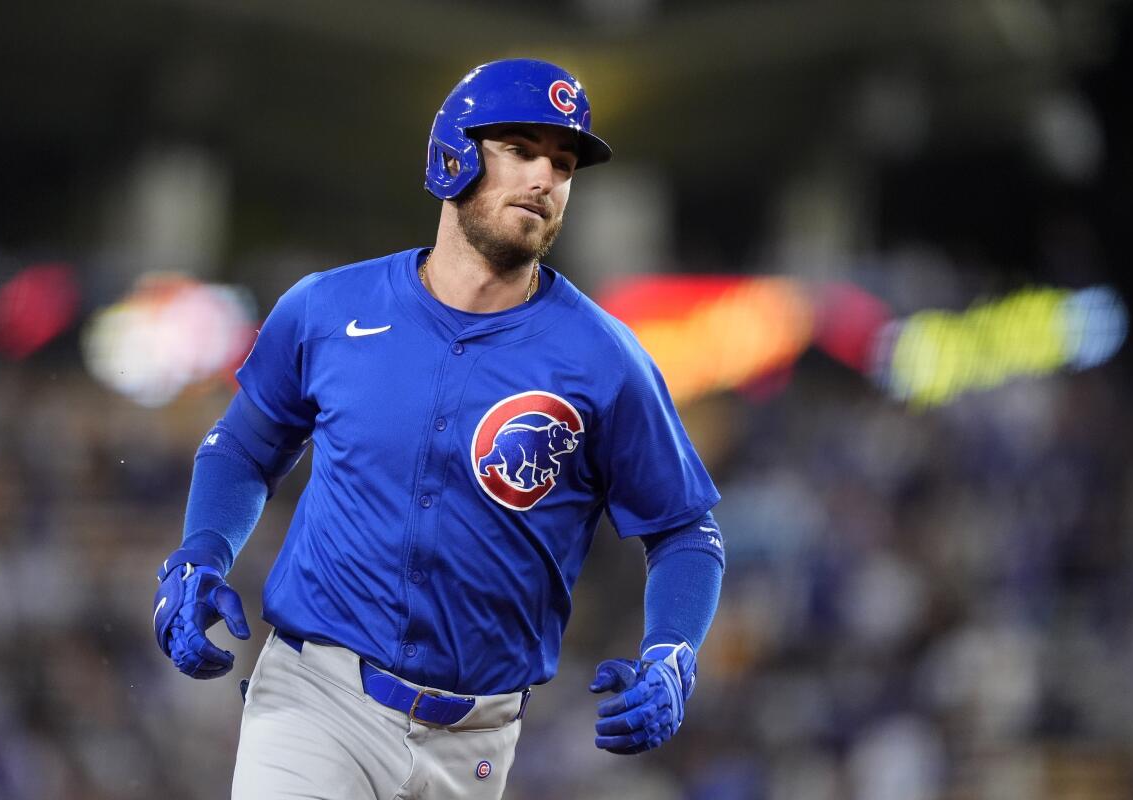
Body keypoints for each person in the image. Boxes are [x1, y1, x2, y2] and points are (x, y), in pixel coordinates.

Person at [152, 58, 725, 800]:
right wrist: (202, 551)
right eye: (521, 150)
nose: (546, 178)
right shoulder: (327, 308)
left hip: (478, 744)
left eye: (563, 162)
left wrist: (673, 647)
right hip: (314, 703)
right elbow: (243, 448)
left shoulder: (605, 358)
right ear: (453, 153)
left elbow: (685, 531)